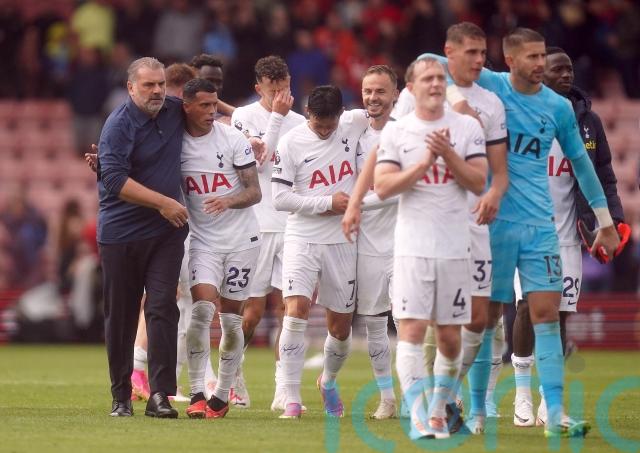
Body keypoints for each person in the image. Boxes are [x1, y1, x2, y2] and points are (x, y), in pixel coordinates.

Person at [419, 27, 620, 438]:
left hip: (542, 228)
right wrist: (458, 98)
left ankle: (555, 412)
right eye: (532, 57)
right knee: (485, 319)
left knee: (547, 315)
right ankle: (474, 410)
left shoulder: (558, 107)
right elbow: (430, 61)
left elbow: (584, 166)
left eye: (542, 56)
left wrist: (605, 223)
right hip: (495, 225)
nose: (540, 63)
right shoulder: (494, 86)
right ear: (510, 61)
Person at [510, 46, 627, 427]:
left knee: (559, 316)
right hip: (527, 234)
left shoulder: (586, 122)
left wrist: (612, 220)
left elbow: (604, 175)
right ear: (539, 75)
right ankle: (522, 396)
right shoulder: (520, 116)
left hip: (567, 237)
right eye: (557, 69)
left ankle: (550, 402)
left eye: (569, 68)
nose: (566, 74)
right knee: (527, 309)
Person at [374, 57, 487, 440]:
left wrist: (448, 154)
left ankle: (439, 411)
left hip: (455, 247)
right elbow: (383, 186)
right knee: (410, 329)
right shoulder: (398, 130)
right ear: (411, 87)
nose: (436, 83)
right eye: (428, 78)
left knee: (450, 338)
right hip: (411, 247)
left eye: (440, 77)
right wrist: (424, 162)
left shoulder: (467, 127)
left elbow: (478, 182)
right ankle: (420, 416)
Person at [418, 22, 508, 435]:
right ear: (449, 51)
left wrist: (495, 193)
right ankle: (435, 403)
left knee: (478, 316)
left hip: (474, 217)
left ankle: (448, 393)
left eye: (483, 52)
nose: (479, 60)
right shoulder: (425, 88)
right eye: (471, 52)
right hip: (433, 217)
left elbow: (498, 169)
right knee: (436, 314)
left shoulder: (491, 102)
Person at [98, 57, 188, 418]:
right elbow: (114, 180)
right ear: (131, 88)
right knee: (121, 316)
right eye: (149, 85)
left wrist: (246, 121)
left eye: (161, 84)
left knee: (163, 306)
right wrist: (164, 202)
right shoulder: (118, 124)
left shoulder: (173, 110)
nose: (157, 91)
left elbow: (205, 104)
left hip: (166, 233)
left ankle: (160, 395)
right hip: (121, 234)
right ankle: (121, 396)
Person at [271, 85, 369, 419]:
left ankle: (327, 380)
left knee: (340, 329)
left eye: (330, 125)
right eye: (318, 124)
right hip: (302, 236)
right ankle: (291, 398)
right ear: (307, 113)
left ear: (341, 115)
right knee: (295, 309)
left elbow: (387, 113)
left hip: (343, 240)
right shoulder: (291, 142)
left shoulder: (355, 122)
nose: (324, 130)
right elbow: (280, 199)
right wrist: (327, 203)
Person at [180, 78, 262, 419]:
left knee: (230, 321)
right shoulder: (175, 143)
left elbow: (254, 192)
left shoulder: (232, 139)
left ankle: (223, 394)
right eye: (204, 105)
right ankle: (197, 391)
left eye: (215, 104)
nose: (212, 111)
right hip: (203, 241)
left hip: (242, 241)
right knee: (200, 310)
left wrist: (227, 200)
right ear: (186, 106)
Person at [230, 55, 305, 410]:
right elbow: (258, 162)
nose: (281, 96)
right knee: (253, 313)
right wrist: (276, 117)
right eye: (274, 90)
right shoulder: (242, 117)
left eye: (285, 88)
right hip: (257, 226)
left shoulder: (302, 123)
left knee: (292, 308)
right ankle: (232, 375)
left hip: (293, 227)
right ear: (258, 87)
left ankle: (283, 389)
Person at [340, 64, 400, 419]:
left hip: (405, 241)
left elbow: (404, 188)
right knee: (375, 323)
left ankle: (430, 395)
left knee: (410, 322)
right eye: (367, 91)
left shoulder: (406, 133)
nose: (373, 98)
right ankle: (387, 398)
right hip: (367, 246)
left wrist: (357, 203)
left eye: (380, 91)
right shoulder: (354, 133)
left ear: (396, 94)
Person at [191, 53, 235, 122]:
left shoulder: (228, 120)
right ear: (192, 80)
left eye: (219, 82)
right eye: (209, 81)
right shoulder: (177, 109)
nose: (215, 87)